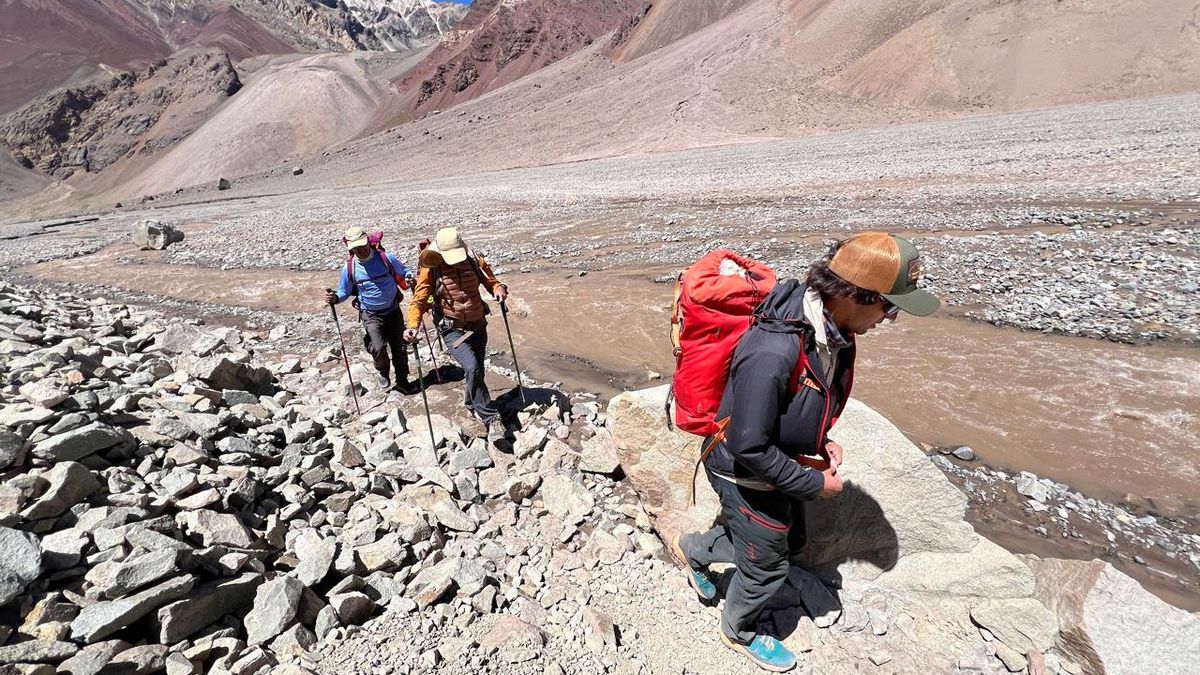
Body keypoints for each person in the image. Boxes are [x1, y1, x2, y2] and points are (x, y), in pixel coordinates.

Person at [671, 232, 940, 672]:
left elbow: (799, 404)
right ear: (856, 295)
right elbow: (748, 444)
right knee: (768, 564)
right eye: (889, 307)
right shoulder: (773, 349)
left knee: (785, 539)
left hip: (774, 462)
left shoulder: (833, 332)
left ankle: (694, 550)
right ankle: (737, 630)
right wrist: (815, 482)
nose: (889, 319)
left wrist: (820, 443)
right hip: (741, 471)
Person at [404, 227, 509, 444]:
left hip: (478, 325)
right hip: (452, 329)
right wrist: (413, 325)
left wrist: (498, 289)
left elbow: (491, 281)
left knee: (478, 368)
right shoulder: (430, 269)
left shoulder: (473, 260)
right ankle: (491, 418)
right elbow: (419, 300)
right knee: (472, 367)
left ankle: (471, 402)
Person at [324, 226, 417, 394]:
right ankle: (383, 371)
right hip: (371, 314)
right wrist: (335, 298)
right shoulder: (350, 268)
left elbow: (403, 271)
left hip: (393, 310)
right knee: (378, 347)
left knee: (400, 347)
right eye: (356, 247)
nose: (361, 249)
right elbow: (344, 291)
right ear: (351, 249)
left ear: (368, 241)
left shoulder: (385, 258)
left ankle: (403, 380)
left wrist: (409, 277)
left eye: (362, 245)